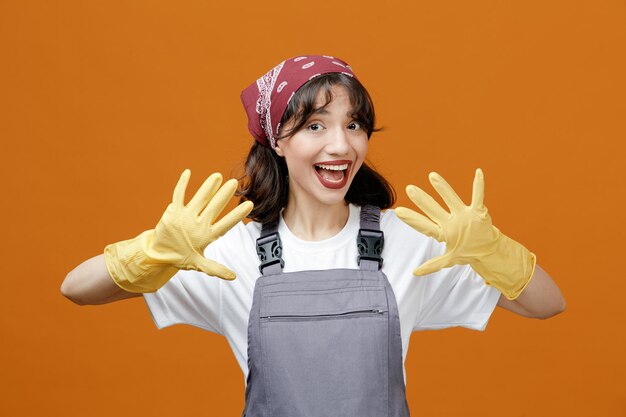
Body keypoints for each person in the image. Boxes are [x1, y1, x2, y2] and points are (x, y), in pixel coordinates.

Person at [61, 54, 566, 416]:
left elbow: (548, 303)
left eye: (355, 124)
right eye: (316, 126)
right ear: (278, 139)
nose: (342, 145)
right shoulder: (230, 250)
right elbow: (76, 289)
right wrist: (150, 253)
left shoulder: (407, 239)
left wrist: (494, 250)